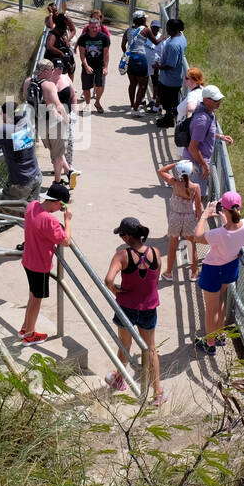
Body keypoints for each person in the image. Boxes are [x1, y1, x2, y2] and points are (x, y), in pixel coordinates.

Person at [103, 216, 166, 406]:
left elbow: (108, 280)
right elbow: (155, 279)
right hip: (149, 307)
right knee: (150, 348)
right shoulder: (155, 252)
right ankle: (158, 392)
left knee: (125, 344)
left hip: (127, 308)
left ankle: (119, 378)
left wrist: (115, 289)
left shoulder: (122, 255)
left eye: (121, 234)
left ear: (127, 236)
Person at [192, 191, 244, 356]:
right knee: (220, 301)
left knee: (211, 309)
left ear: (224, 209)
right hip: (230, 266)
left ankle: (209, 343)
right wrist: (226, 222)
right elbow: (243, 240)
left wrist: (205, 215)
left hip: (213, 270)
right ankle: (219, 336)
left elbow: (197, 236)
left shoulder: (218, 234)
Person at [18, 181, 73, 344]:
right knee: (36, 299)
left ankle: (25, 327)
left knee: (32, 295)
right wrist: (67, 221)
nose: (61, 210)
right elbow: (66, 241)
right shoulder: (51, 221)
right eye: (62, 206)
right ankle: (29, 335)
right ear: (58, 203)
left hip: (28, 259)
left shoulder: (32, 206)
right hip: (40, 265)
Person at [16, 59, 70, 183]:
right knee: (58, 154)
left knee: (53, 150)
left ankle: (67, 172)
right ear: (45, 71)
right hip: (53, 122)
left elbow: (26, 98)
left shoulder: (28, 82)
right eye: (52, 69)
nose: (54, 71)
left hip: (39, 123)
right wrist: (67, 120)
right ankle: (57, 182)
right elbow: (58, 105)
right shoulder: (49, 85)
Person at [186, 85, 233, 202]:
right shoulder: (202, 119)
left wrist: (220, 136)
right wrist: (204, 165)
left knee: (196, 197)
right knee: (196, 198)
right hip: (196, 165)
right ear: (206, 100)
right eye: (216, 100)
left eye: (220, 99)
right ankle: (194, 219)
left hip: (198, 162)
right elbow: (193, 148)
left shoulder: (208, 113)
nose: (219, 102)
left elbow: (205, 134)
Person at [157, 159, 202, 281]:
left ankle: (169, 273)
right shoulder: (196, 187)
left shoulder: (174, 182)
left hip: (175, 217)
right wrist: (199, 221)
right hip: (189, 218)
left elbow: (161, 171)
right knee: (191, 246)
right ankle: (193, 273)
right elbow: (198, 206)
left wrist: (176, 164)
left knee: (172, 246)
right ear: (191, 173)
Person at [120, 10, 158, 113]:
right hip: (141, 58)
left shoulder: (128, 30)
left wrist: (127, 54)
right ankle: (136, 108)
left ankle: (132, 104)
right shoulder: (146, 30)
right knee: (143, 85)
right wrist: (163, 37)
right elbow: (156, 42)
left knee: (132, 83)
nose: (146, 19)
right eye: (145, 18)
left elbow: (123, 45)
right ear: (142, 19)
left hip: (130, 58)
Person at [76, 9, 112, 113]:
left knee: (101, 86)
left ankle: (97, 102)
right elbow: (82, 54)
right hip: (88, 64)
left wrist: (106, 67)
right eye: (92, 28)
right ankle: (87, 104)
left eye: (96, 27)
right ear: (89, 27)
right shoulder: (83, 38)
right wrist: (86, 66)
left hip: (100, 65)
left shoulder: (104, 38)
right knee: (86, 87)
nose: (94, 29)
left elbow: (106, 53)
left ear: (99, 26)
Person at [154, 18, 188, 127]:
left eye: (168, 28)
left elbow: (170, 65)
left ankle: (169, 121)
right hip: (175, 78)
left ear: (173, 29)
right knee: (172, 101)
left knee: (169, 103)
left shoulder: (173, 45)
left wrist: (158, 66)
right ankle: (169, 118)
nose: (166, 30)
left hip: (169, 80)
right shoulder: (181, 37)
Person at [44, 8, 74, 74]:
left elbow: (73, 29)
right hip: (53, 59)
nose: (65, 31)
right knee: (58, 66)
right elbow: (50, 46)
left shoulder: (62, 34)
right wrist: (60, 53)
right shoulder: (53, 34)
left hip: (62, 57)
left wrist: (67, 41)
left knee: (72, 64)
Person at [143, 22, 164, 113]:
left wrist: (158, 63)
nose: (155, 30)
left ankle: (154, 99)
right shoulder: (145, 35)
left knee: (155, 82)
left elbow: (162, 53)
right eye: (154, 28)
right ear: (151, 27)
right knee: (143, 81)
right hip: (144, 63)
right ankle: (142, 99)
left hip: (154, 65)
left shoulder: (161, 38)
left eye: (157, 28)